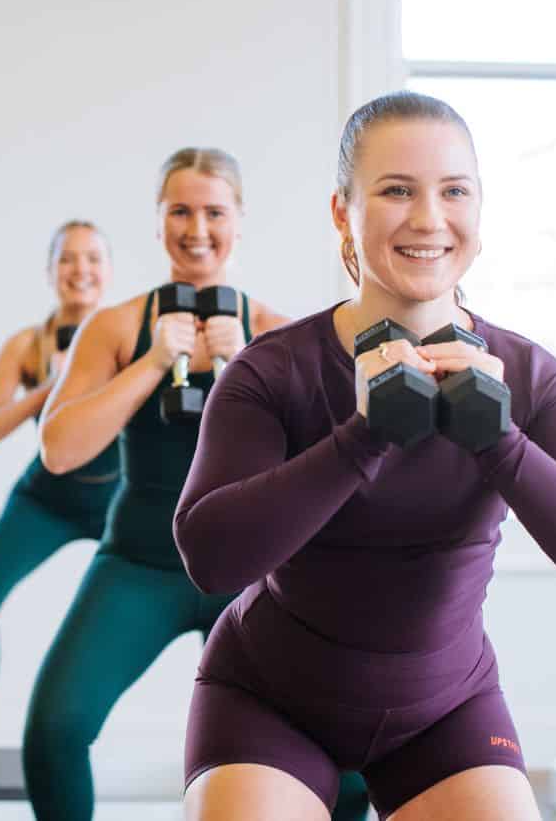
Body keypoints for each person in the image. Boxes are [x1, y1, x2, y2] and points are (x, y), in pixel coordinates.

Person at [174, 92, 556, 821]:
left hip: (442, 706)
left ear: (479, 210)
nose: (429, 218)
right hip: (269, 698)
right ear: (343, 211)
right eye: (396, 190)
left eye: (453, 190)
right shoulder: (272, 372)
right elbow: (209, 556)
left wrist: (497, 439)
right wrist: (363, 435)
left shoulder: (528, 378)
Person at [23, 149, 370, 821]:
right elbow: (60, 449)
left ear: (239, 221)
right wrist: (156, 360)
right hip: (138, 563)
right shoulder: (119, 325)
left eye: (214, 211)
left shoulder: (279, 333)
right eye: (180, 210)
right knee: (54, 730)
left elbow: (324, 475)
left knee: (349, 761)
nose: (197, 227)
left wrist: (242, 366)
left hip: (254, 575)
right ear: (158, 224)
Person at [0, 221, 122, 772]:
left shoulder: (128, 336)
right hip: (48, 498)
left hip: (118, 500)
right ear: (50, 272)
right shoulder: (28, 346)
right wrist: (49, 388)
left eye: (92, 259)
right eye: (68, 259)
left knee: (209, 600)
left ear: (107, 273)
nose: (79, 269)